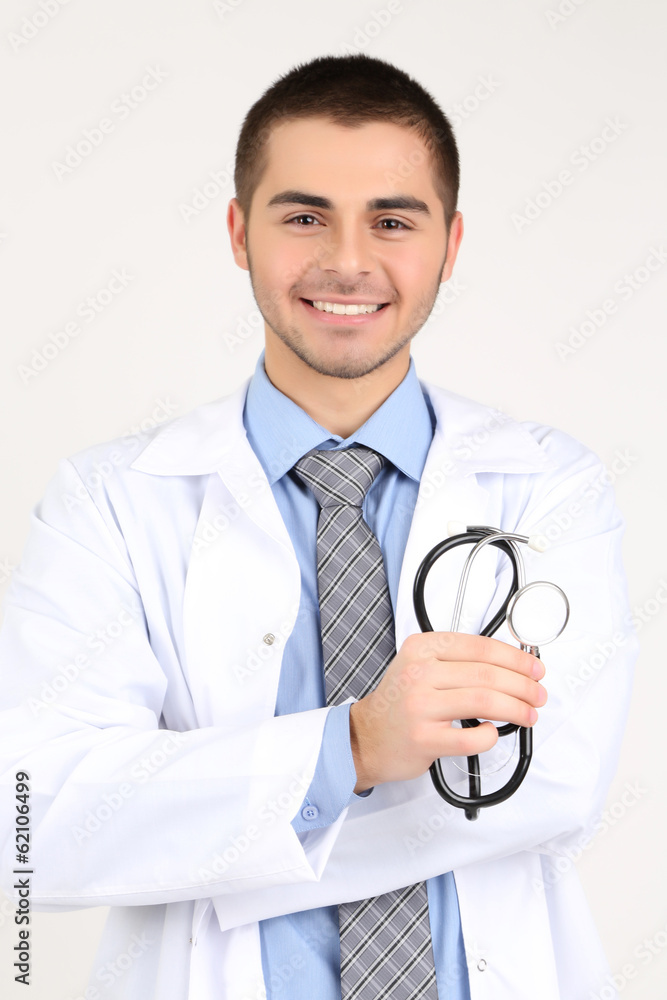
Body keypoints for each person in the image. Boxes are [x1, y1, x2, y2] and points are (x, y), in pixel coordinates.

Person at [0, 53, 637, 1000]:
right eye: (303, 216)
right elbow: (34, 826)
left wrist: (216, 845)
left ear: (450, 245)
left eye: (392, 220)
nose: (347, 261)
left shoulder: (548, 487)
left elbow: (550, 787)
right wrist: (350, 750)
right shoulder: (110, 502)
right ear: (237, 232)